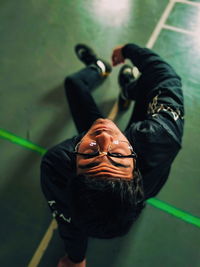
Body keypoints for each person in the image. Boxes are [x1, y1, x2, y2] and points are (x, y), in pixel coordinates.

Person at [40, 43, 184, 267]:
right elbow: (166, 77)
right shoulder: (161, 137)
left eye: (90, 157)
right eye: (116, 157)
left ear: (75, 163)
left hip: (125, 146)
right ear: (135, 171)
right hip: (144, 146)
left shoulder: (58, 162)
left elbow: (68, 219)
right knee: (148, 83)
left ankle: (99, 68)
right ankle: (128, 88)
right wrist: (130, 50)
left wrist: (76, 258)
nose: (105, 136)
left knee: (74, 83)